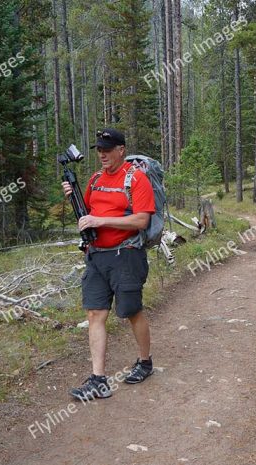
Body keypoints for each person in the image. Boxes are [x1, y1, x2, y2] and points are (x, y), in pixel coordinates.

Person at [61, 128, 155, 401]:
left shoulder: (136, 180)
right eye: (99, 149)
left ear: (121, 150)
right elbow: (87, 213)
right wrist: (72, 197)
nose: (102, 153)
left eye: (107, 148)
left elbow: (141, 220)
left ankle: (145, 361)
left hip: (125, 254)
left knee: (131, 311)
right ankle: (98, 380)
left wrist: (101, 222)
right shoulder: (95, 179)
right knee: (94, 314)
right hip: (96, 255)